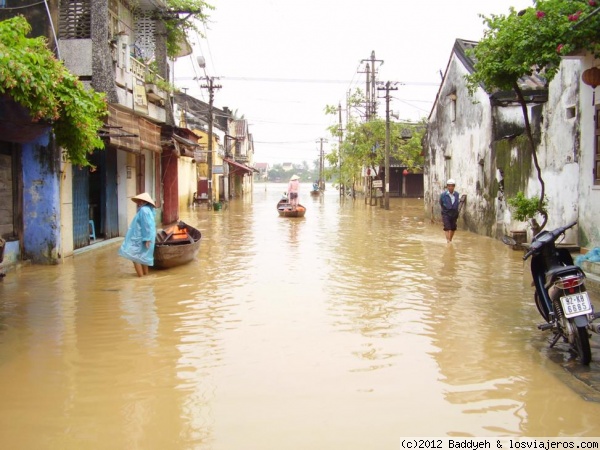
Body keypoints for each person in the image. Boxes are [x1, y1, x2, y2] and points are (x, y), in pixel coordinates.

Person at [119, 192, 156, 277]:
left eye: (140, 201)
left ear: (143, 201)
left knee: (135, 258)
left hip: (141, 238)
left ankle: (141, 278)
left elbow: (147, 225)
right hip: (144, 237)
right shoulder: (149, 209)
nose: (138, 202)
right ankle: (145, 276)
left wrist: (147, 239)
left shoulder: (144, 210)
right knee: (143, 258)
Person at [440, 179, 460, 243]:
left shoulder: (456, 194)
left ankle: (450, 240)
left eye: (452, 186)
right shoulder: (443, 195)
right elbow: (441, 202)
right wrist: (445, 209)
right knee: (447, 227)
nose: (450, 187)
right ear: (447, 186)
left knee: (453, 227)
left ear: (454, 186)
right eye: (449, 186)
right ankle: (448, 241)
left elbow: (457, 202)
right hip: (446, 213)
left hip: (454, 213)